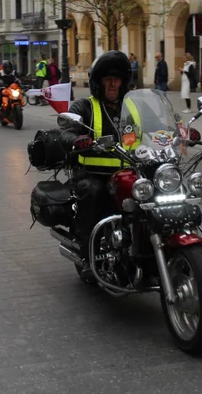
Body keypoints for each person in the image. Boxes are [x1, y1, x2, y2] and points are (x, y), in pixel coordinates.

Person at [55, 51, 140, 250]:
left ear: (123, 82)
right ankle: (89, 248)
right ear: (98, 82)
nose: (112, 84)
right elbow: (66, 132)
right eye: (108, 79)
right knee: (93, 191)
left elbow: (157, 124)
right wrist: (77, 139)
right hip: (94, 174)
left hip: (130, 172)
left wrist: (180, 132)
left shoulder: (132, 107)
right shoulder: (85, 107)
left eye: (116, 79)